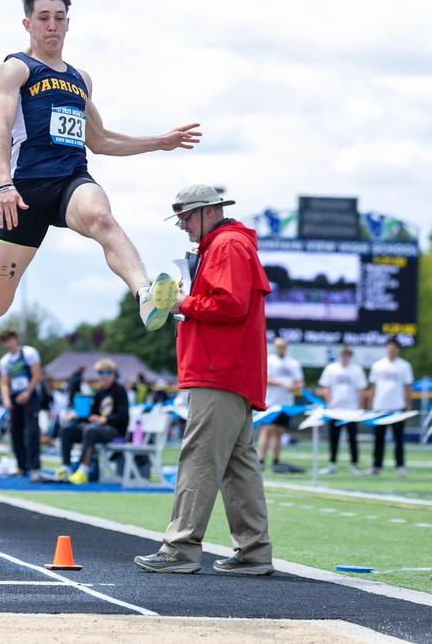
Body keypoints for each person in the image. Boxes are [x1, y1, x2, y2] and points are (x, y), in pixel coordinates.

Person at [0, 0, 202, 332]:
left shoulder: (79, 79)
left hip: (72, 180)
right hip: (25, 192)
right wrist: (3, 185)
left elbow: (99, 141)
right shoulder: (16, 68)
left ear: (69, 22)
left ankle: (144, 293)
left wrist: (160, 141)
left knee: (102, 217)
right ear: (28, 24)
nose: (51, 25)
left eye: (58, 17)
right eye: (43, 18)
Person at [134, 184, 273, 576]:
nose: (181, 226)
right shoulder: (228, 245)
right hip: (230, 369)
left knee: (199, 458)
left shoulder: (226, 246)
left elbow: (230, 303)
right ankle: (254, 551)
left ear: (207, 211)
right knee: (237, 464)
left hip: (218, 369)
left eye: (185, 217)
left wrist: (183, 304)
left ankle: (180, 547)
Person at [60, 358, 130, 484]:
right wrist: (77, 416)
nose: (103, 376)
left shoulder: (120, 390)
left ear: (113, 374)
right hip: (97, 429)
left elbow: (123, 416)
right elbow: (91, 415)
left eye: (106, 372)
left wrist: (105, 419)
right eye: (100, 373)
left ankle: (83, 470)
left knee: (90, 430)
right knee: (67, 430)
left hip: (114, 431)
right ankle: (66, 468)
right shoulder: (100, 392)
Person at [0, 329, 44, 479]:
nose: (8, 344)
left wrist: (27, 392)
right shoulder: (5, 361)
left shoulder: (29, 353)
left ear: (15, 339)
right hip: (15, 397)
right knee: (16, 432)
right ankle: (21, 466)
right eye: (5, 341)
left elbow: (37, 374)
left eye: (10, 340)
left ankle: (34, 467)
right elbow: (4, 382)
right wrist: (6, 399)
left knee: (32, 431)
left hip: (30, 395)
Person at [369, 337, 415, 475]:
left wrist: (408, 408)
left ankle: (400, 465)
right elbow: (373, 387)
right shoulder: (377, 365)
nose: (391, 349)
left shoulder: (404, 366)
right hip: (380, 407)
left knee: (399, 439)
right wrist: (371, 405)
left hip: (397, 407)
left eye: (394, 347)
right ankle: (376, 465)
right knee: (378, 439)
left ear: (398, 349)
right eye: (389, 347)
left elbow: (408, 389)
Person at [318, 346, 367, 475]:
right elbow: (326, 387)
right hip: (335, 409)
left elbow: (360, 388)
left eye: (347, 355)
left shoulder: (356, 370)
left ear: (350, 356)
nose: (344, 357)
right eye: (342, 354)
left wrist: (361, 405)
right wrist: (329, 403)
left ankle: (354, 464)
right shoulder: (331, 368)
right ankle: (332, 463)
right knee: (333, 437)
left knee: (352, 438)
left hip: (352, 410)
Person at [262, 337, 304, 473]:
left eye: (283, 346)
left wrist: (294, 387)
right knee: (266, 431)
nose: (280, 348)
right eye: (278, 346)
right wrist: (281, 383)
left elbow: (300, 383)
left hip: (286, 403)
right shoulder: (269, 360)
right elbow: (264, 378)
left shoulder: (293, 363)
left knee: (279, 432)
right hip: (270, 402)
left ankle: (276, 461)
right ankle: (261, 460)